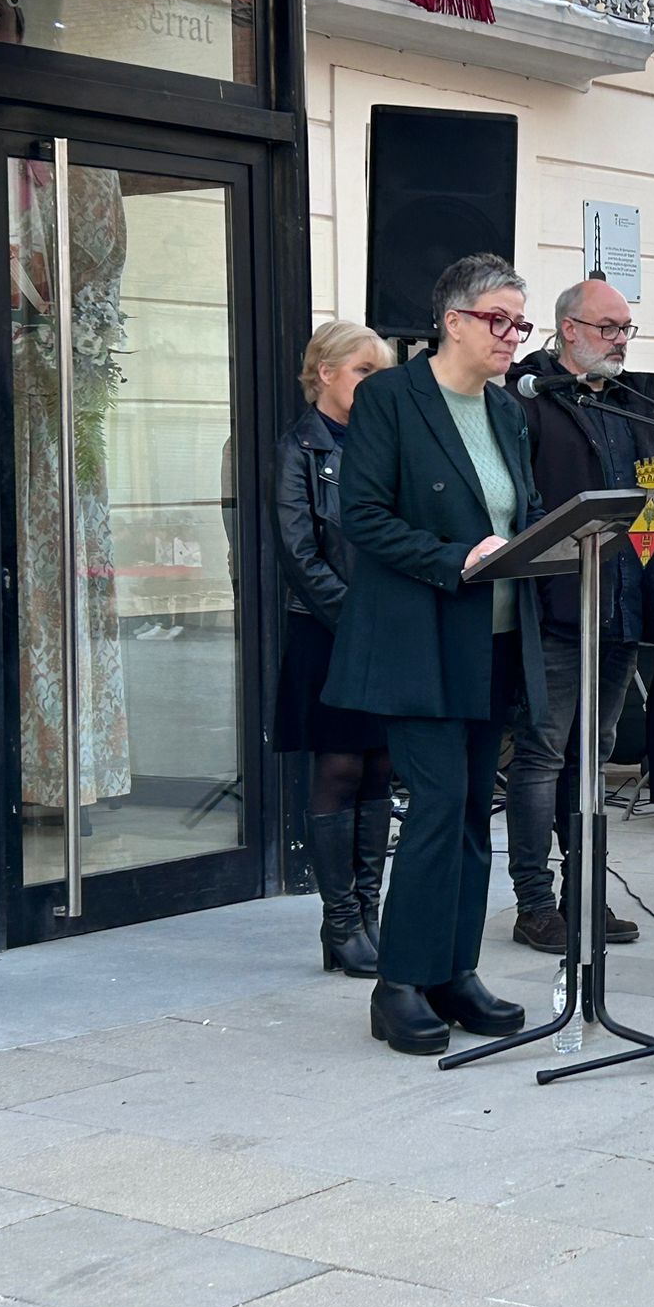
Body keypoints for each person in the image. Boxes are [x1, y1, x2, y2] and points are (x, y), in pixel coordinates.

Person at [323, 255, 548, 1056]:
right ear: (453, 321)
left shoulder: (508, 411)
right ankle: (399, 986)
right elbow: (362, 516)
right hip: (419, 639)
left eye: (519, 323)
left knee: (472, 814)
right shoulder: (391, 398)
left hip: (494, 640)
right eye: (498, 319)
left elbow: (522, 512)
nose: (512, 336)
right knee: (439, 806)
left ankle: (455, 971)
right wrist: (455, 557)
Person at [502, 279, 654, 953]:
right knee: (542, 754)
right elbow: (519, 507)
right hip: (557, 609)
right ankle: (534, 903)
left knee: (595, 753)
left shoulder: (634, 406)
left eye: (625, 329)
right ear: (569, 330)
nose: (619, 340)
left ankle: (582, 892)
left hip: (620, 610)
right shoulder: (530, 399)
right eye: (608, 328)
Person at [272, 320, 396, 976]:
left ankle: (367, 918)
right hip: (329, 630)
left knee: (380, 767)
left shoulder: (384, 442)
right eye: (364, 371)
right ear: (326, 373)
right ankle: (341, 922)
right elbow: (299, 553)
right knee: (340, 768)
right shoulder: (299, 447)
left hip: (387, 628)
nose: (376, 384)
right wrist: (358, 619)